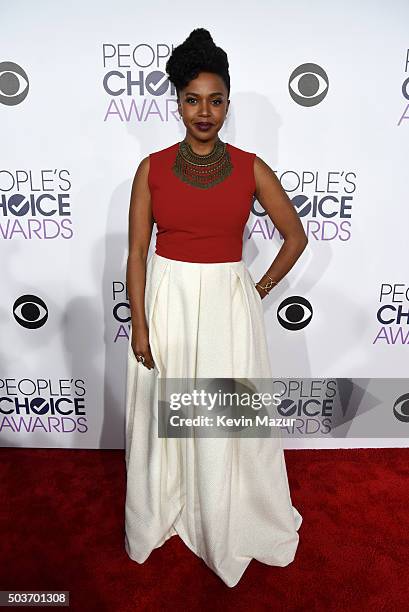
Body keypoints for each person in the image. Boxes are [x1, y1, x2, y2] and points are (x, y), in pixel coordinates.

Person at [124, 28, 308, 588]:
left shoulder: (251, 166)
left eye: (216, 99)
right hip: (169, 298)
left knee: (224, 414)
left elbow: (294, 236)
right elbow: (135, 252)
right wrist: (139, 322)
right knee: (168, 416)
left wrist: (256, 289)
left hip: (229, 305)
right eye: (192, 98)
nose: (204, 111)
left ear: (228, 102)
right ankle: (169, 505)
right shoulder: (151, 168)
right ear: (177, 101)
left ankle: (227, 512)